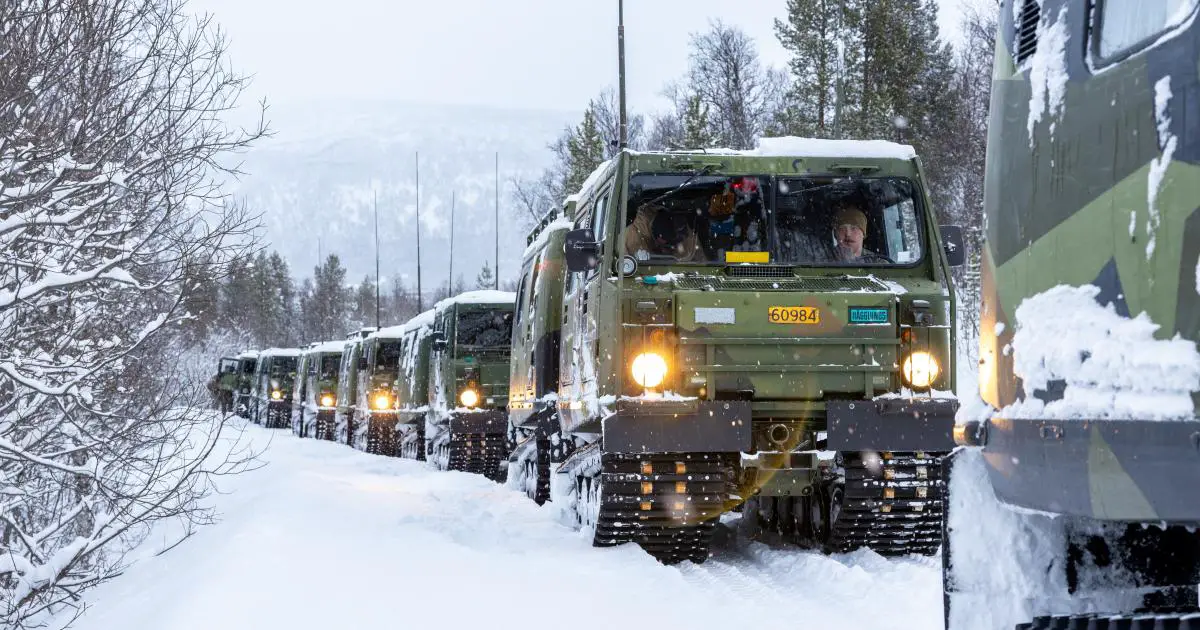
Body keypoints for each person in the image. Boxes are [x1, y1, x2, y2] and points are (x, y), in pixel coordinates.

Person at [624, 203, 705, 262]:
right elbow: (620, 267)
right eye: (667, 242)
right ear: (658, 237)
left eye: (673, 242)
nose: (670, 245)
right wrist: (637, 261)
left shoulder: (685, 235)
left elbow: (701, 261)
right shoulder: (631, 236)